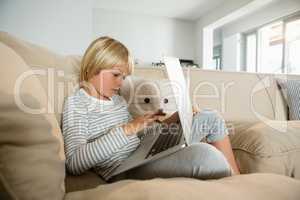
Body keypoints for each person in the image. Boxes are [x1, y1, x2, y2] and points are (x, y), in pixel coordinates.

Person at [62, 36, 240, 182]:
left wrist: (172, 120)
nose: (121, 83)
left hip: (144, 153)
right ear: (93, 67)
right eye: (116, 75)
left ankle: (240, 182)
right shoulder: (77, 104)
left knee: (210, 117)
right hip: (124, 170)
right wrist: (129, 128)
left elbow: (137, 137)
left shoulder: (117, 101)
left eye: (124, 77)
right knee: (206, 156)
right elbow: (74, 163)